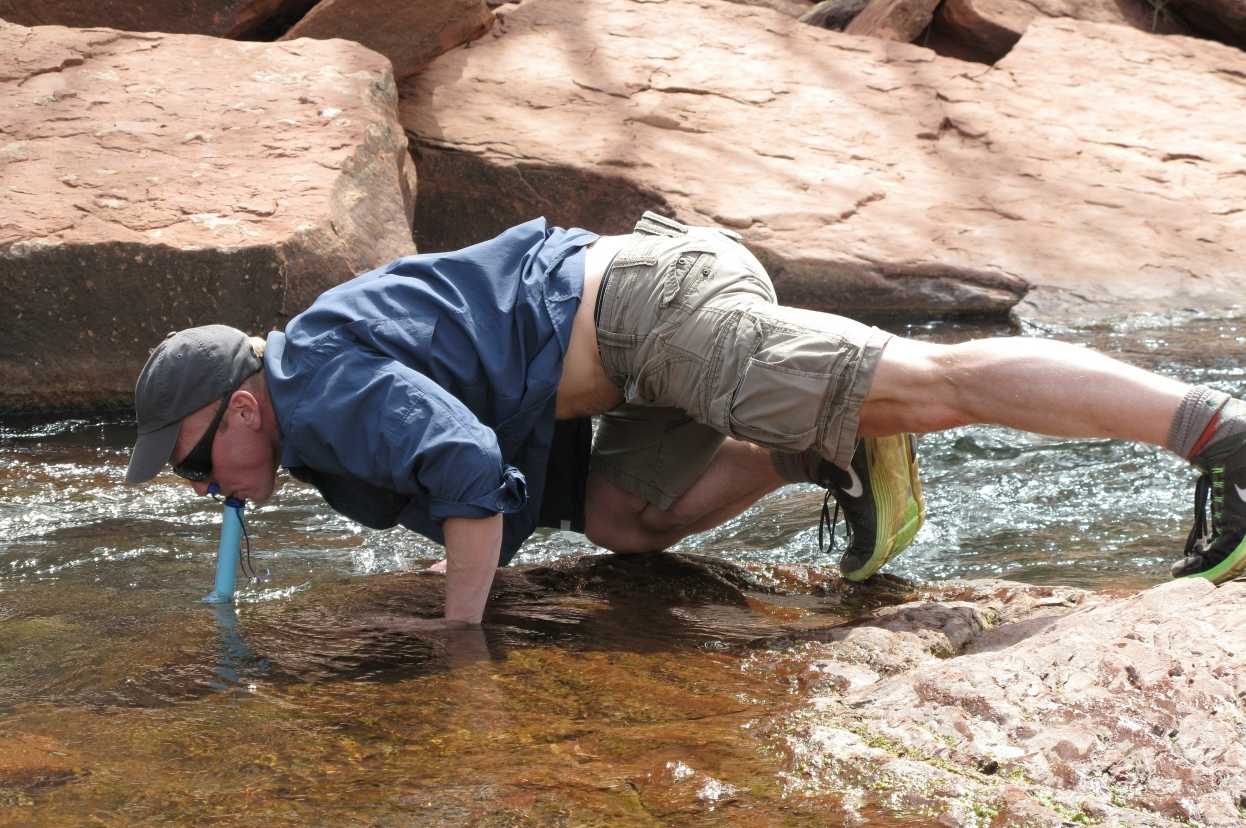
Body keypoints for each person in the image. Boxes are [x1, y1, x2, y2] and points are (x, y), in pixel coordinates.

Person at [125, 212, 1246, 623]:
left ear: (237, 406)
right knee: (623, 522)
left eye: (191, 464)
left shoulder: (311, 376)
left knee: (929, 381)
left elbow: (465, 465)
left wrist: (461, 639)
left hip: (647, 317)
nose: (202, 490)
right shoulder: (314, 407)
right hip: (625, 354)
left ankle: (1213, 430)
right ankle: (823, 448)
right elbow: (503, 503)